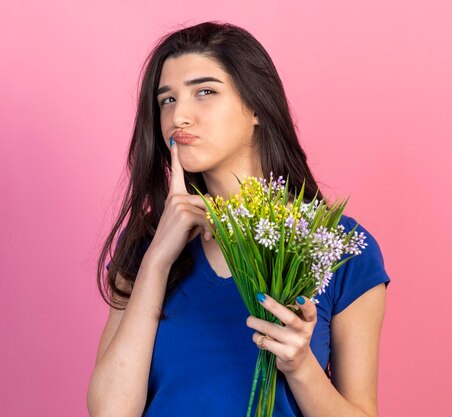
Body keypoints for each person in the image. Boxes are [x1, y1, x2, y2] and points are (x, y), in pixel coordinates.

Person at [87, 21, 391, 417]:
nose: (179, 116)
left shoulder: (340, 246)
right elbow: (110, 412)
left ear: (256, 108)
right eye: (167, 100)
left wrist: (301, 367)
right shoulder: (146, 242)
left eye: (205, 92)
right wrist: (157, 259)